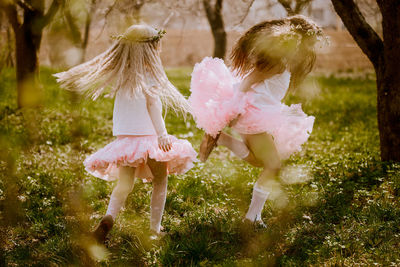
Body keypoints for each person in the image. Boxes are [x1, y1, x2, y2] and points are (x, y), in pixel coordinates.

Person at [54, 24, 197, 242]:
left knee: (124, 184)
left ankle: (109, 217)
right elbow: (153, 106)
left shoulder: (122, 74)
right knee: (160, 179)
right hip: (149, 139)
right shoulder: (150, 75)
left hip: (125, 141)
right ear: (150, 48)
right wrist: (162, 133)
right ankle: (154, 230)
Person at [189, 15, 323, 226]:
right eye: (311, 44)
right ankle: (252, 218)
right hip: (254, 115)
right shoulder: (277, 63)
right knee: (273, 165)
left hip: (258, 114)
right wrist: (232, 110)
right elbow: (246, 82)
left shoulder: (283, 62)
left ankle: (223, 140)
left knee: (259, 161)